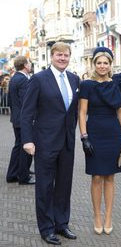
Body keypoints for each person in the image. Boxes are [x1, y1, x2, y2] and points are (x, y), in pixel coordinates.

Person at [21, 42, 80, 245]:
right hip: (44, 142)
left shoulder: (74, 79)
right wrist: (27, 140)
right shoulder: (38, 79)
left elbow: (72, 112)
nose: (62, 58)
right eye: (58, 55)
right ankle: (47, 228)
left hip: (66, 142)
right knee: (45, 187)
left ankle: (61, 224)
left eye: (65, 55)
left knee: (64, 185)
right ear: (51, 56)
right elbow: (26, 112)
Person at [79, 47, 121, 235]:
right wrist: (84, 137)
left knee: (110, 176)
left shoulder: (117, 84)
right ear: (94, 64)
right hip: (94, 132)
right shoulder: (86, 85)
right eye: (99, 62)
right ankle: (97, 216)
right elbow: (82, 112)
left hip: (113, 133)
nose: (102, 66)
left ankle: (108, 216)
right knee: (97, 177)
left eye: (105, 63)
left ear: (110, 65)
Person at [6, 56, 34, 184]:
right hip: (24, 119)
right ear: (24, 65)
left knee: (18, 146)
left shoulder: (14, 78)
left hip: (16, 118)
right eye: (29, 63)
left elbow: (11, 101)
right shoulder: (23, 80)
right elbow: (26, 102)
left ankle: (12, 174)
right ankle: (23, 176)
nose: (30, 65)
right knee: (26, 147)